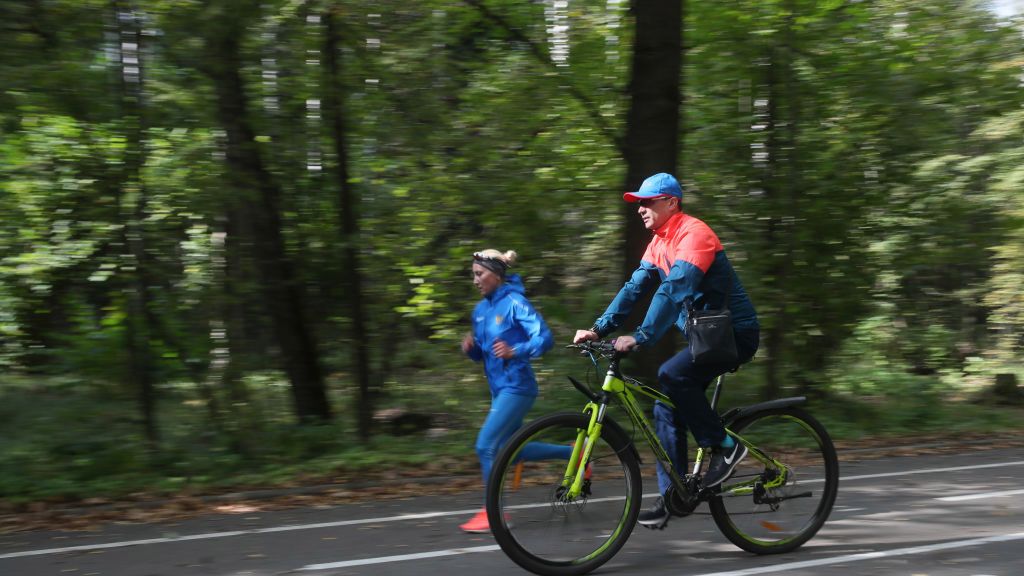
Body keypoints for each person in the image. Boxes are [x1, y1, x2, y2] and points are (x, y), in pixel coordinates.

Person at [573, 172, 760, 529]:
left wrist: (640, 337)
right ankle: (673, 497)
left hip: (734, 334)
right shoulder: (658, 243)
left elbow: (675, 288)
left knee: (671, 374)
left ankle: (725, 445)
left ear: (671, 202)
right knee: (665, 407)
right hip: (705, 338)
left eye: (647, 201)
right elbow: (633, 289)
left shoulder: (695, 234)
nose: (640, 209)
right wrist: (598, 328)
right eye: (638, 203)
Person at [460, 249, 574, 533]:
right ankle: (574, 454)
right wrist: (473, 351)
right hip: (499, 390)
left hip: (518, 386)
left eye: (479, 274)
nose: (475, 280)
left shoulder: (514, 302)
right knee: (512, 450)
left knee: (486, 445)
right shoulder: (480, 311)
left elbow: (545, 339)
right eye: (473, 274)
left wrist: (516, 350)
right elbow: (487, 356)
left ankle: (493, 512)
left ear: (496, 275)